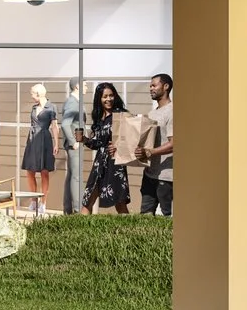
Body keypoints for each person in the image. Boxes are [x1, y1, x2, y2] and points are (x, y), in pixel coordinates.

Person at [75, 82, 132, 213]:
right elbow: (97, 144)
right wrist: (84, 140)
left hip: (116, 163)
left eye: (111, 95)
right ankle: (80, 231)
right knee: (88, 199)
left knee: (120, 202)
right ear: (99, 99)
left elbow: (133, 136)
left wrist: (120, 146)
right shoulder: (98, 117)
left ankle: (130, 232)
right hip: (99, 163)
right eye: (105, 96)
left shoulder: (122, 114)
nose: (108, 99)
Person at [138, 74, 174, 217]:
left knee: (167, 218)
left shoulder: (172, 111)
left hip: (166, 177)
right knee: (145, 217)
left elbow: (174, 144)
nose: (150, 88)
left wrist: (150, 152)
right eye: (150, 86)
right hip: (149, 174)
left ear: (166, 87)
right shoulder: (152, 113)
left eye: (154, 85)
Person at [19, 83, 57, 219]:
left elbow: (54, 126)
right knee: (30, 171)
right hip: (32, 139)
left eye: (32, 94)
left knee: (44, 172)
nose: (31, 96)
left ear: (38, 94)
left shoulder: (51, 107)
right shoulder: (34, 107)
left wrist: (56, 144)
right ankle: (33, 200)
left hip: (45, 139)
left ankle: (43, 202)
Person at [59, 80, 87, 213]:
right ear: (77, 86)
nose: (87, 87)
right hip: (75, 145)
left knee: (71, 175)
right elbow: (65, 124)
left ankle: (68, 210)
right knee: (76, 177)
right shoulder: (72, 102)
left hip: (76, 143)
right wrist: (73, 142)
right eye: (85, 84)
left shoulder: (75, 101)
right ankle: (77, 211)